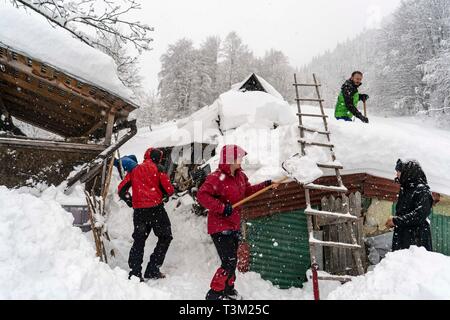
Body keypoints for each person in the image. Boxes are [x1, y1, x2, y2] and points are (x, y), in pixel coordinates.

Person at [197, 145, 274, 300]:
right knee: (228, 261)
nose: (241, 160)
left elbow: (248, 192)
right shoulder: (216, 177)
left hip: (233, 224)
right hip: (219, 226)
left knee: (233, 260)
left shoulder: (240, 177)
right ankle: (215, 293)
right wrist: (221, 207)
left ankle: (228, 289)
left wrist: (266, 185)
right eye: (239, 157)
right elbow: (202, 196)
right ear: (230, 159)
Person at [118, 147, 174, 281]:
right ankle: (153, 269)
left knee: (139, 240)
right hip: (156, 210)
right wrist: (164, 194)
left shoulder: (134, 169)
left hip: (140, 212)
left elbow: (121, 189)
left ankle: (135, 272)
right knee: (165, 237)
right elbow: (169, 190)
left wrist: (130, 201)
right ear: (158, 158)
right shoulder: (158, 169)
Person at [385, 159, 433, 252]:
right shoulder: (406, 189)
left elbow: (419, 215)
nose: (397, 174)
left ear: (408, 172)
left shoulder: (422, 190)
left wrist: (396, 221)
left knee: (412, 265)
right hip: (402, 240)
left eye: (399, 171)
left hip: (417, 242)